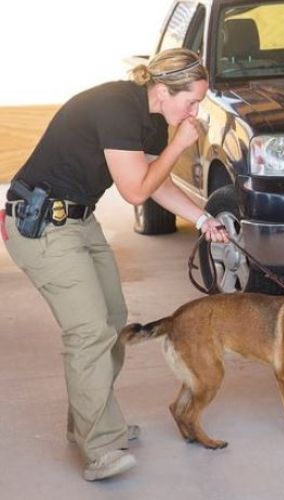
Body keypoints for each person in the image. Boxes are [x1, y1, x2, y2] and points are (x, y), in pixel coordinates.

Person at [1, 48, 227, 481]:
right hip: (42, 226)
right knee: (88, 332)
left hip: (78, 222)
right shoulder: (117, 106)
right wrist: (181, 142)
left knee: (113, 320)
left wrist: (202, 218)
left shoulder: (153, 120)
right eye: (191, 101)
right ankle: (100, 447)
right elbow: (136, 192)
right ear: (162, 90)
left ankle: (85, 423)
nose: (194, 111)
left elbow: (154, 179)